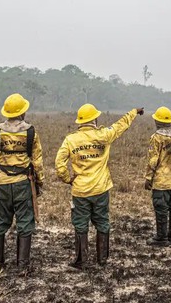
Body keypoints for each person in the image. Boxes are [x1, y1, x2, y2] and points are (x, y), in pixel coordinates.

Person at [56, 104, 144, 269]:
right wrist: (133, 112)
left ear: (80, 122)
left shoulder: (71, 139)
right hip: (101, 188)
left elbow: (59, 164)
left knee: (80, 224)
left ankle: (81, 260)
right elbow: (120, 126)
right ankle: (102, 259)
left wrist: (68, 179)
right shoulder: (104, 135)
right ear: (95, 119)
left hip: (80, 190)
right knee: (102, 222)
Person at [0, 93, 44, 274]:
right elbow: (37, 161)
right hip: (23, 182)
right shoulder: (31, 132)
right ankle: (23, 266)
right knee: (25, 222)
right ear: (23, 112)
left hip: (1, 182)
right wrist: (39, 182)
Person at [144, 106, 171, 246]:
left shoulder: (156, 138)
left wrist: (148, 178)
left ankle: (161, 238)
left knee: (161, 209)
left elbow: (153, 160)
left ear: (158, 121)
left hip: (161, 181)